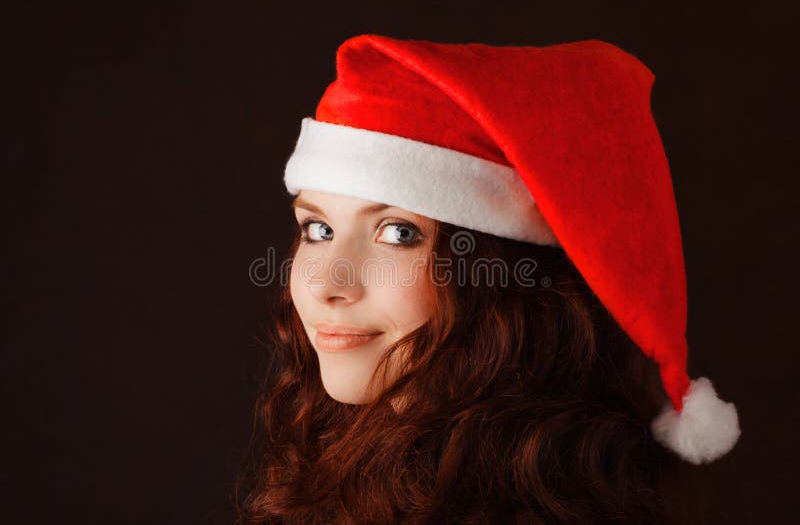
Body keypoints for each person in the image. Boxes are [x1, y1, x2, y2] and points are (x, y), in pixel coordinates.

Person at [235, 34, 741, 524]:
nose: (327, 284)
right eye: (317, 228)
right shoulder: (334, 469)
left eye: (399, 233)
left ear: (502, 277)